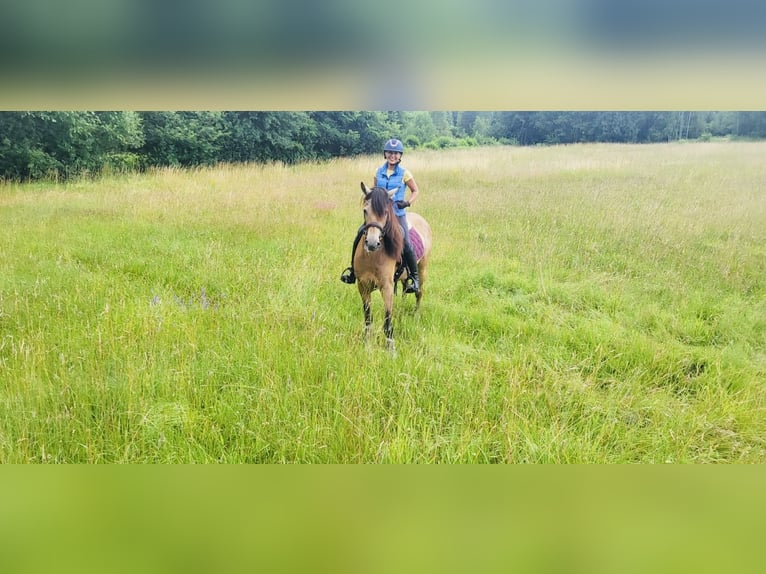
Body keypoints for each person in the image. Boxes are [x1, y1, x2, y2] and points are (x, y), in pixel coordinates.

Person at [340, 138, 421, 294]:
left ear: (400, 155)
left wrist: (407, 202)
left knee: (406, 240)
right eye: (390, 153)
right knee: (359, 234)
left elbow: (415, 190)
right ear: (385, 154)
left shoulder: (405, 173)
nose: (393, 156)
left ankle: (414, 278)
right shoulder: (378, 172)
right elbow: (376, 192)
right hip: (380, 216)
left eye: (396, 153)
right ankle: (352, 271)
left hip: (397, 214)